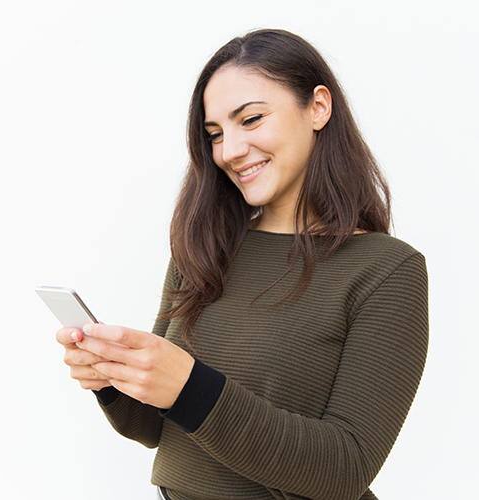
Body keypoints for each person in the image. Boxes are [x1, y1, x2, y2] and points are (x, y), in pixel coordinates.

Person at [56, 29, 428, 500]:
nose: (228, 150)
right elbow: (158, 428)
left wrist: (190, 385)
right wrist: (111, 379)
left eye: (250, 119)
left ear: (318, 107)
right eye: (215, 134)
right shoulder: (204, 248)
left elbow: (346, 469)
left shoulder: (386, 271)